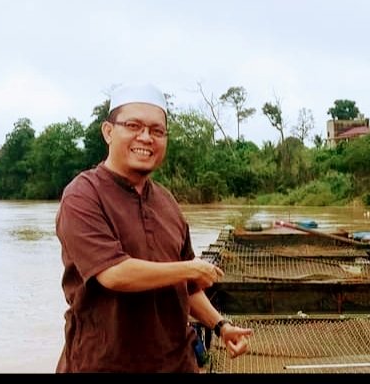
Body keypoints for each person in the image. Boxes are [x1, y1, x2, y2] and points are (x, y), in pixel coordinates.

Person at [55, 83, 252, 373]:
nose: (146, 138)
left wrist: (220, 325)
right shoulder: (83, 195)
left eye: (157, 131)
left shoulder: (167, 202)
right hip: (103, 364)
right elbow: (113, 274)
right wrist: (190, 269)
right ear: (108, 132)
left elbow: (186, 289)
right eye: (133, 126)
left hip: (175, 363)